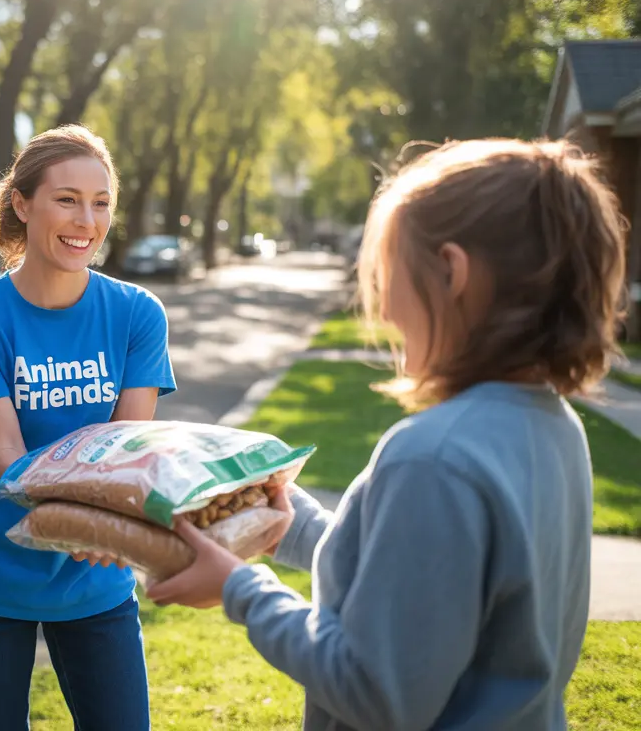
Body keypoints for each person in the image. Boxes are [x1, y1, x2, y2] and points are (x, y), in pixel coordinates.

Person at [147, 138, 630, 730]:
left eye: (387, 275)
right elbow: (419, 595)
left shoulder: (431, 459)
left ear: (451, 271)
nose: (385, 312)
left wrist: (239, 590)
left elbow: (376, 691)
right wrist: (289, 526)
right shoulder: (554, 426)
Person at [0, 124, 176, 730]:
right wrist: (99, 515)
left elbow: (127, 449)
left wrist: (114, 522)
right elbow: (9, 460)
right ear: (21, 203)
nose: (85, 221)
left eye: (100, 203)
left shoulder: (137, 314)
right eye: (66, 199)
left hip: (96, 573)